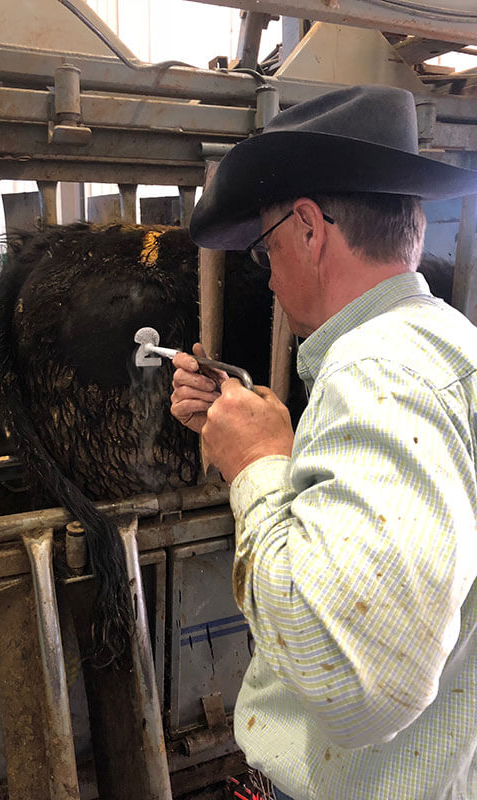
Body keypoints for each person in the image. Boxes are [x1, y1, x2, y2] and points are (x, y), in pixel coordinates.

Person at [170, 85, 477, 800]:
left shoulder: (380, 374)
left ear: (309, 229)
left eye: (265, 248)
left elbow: (357, 683)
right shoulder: (450, 348)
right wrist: (271, 438)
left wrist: (258, 465)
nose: (270, 274)